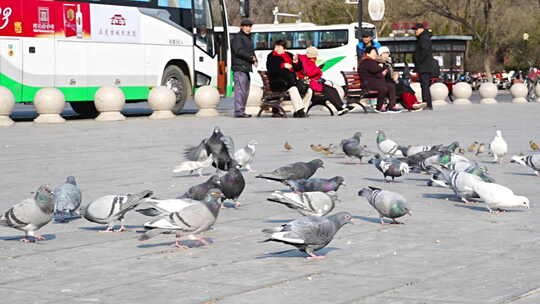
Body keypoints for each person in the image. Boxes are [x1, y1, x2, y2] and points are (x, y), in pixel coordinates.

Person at [296, 47, 352, 116]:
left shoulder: (308, 59)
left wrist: (318, 70)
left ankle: (341, 107)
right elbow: (309, 72)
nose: (315, 57)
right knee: (329, 91)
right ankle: (341, 107)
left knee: (332, 90)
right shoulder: (304, 60)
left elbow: (311, 72)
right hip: (308, 84)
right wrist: (318, 70)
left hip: (314, 82)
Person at [266, 40, 311, 118]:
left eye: (279, 47)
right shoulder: (271, 56)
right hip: (278, 82)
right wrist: (283, 65)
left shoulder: (289, 55)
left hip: (291, 81)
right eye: (276, 46)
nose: (277, 48)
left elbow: (298, 68)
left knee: (309, 91)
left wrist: (295, 61)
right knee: (293, 89)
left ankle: (301, 111)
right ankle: (300, 111)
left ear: (284, 48)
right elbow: (271, 70)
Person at [378, 46, 426, 111]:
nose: (386, 55)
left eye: (387, 53)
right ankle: (411, 104)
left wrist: (396, 75)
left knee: (404, 84)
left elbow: (393, 73)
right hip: (385, 83)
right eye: (384, 53)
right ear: (380, 54)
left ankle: (414, 102)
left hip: (392, 82)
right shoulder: (380, 64)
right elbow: (379, 75)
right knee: (403, 85)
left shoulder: (389, 63)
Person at [358, 46, 401, 113]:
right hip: (368, 83)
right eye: (373, 52)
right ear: (368, 54)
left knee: (391, 86)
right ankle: (379, 107)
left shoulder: (371, 61)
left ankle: (391, 106)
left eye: (375, 52)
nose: (375, 53)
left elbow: (376, 73)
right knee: (383, 88)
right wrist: (380, 66)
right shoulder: (366, 61)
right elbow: (375, 70)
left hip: (374, 82)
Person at [231, 19, 257, 118]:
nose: (248, 28)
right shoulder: (238, 37)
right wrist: (251, 58)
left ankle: (242, 110)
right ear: (241, 27)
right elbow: (238, 51)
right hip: (239, 67)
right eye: (246, 26)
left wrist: (255, 59)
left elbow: (251, 51)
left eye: (250, 26)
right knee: (240, 90)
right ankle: (238, 111)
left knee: (245, 90)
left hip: (246, 67)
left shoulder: (248, 38)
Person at [412, 23, 434, 110]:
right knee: (424, 85)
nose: (415, 32)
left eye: (416, 30)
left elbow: (424, 52)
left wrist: (418, 61)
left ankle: (427, 104)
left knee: (425, 86)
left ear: (421, 29)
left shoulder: (423, 38)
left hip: (424, 66)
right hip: (424, 66)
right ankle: (427, 103)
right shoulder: (423, 37)